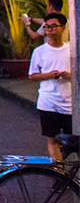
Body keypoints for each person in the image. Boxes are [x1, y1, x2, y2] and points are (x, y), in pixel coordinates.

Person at [28, 13, 72, 161]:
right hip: (48, 101)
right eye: (47, 27)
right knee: (51, 139)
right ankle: (59, 173)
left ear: (63, 27)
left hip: (70, 101)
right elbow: (32, 76)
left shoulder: (71, 50)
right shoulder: (39, 51)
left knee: (73, 140)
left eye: (53, 26)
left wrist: (70, 75)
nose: (50, 30)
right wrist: (48, 75)